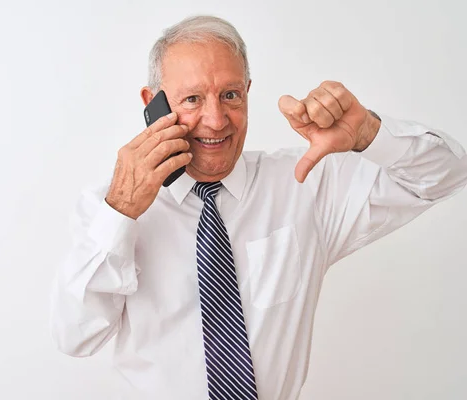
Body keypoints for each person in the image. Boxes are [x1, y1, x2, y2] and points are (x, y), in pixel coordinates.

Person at [49, 15, 467, 400]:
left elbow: (446, 175)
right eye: (192, 99)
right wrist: (121, 210)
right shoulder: (107, 207)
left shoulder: (306, 182)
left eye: (229, 95)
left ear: (248, 92)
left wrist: (369, 134)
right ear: (152, 102)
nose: (215, 120)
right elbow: (76, 337)